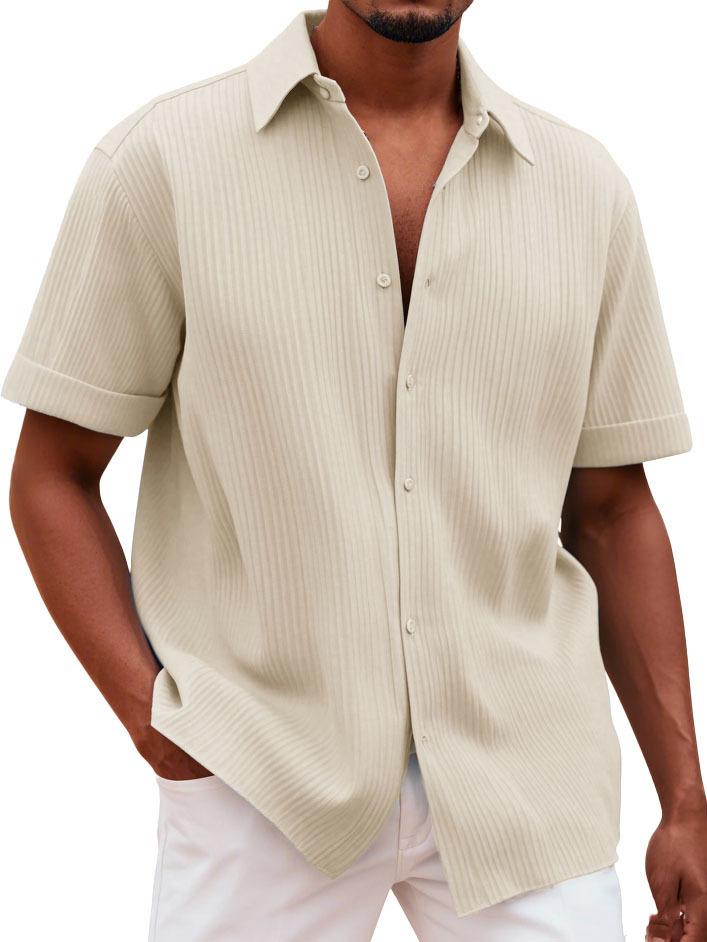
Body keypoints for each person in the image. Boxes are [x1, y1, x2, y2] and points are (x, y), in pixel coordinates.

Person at [3, 2, 705, 939]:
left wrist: (684, 799)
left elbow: (613, 511)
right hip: (261, 777)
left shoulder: (584, 190)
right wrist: (154, 720)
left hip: (530, 785)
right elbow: (52, 473)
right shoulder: (163, 162)